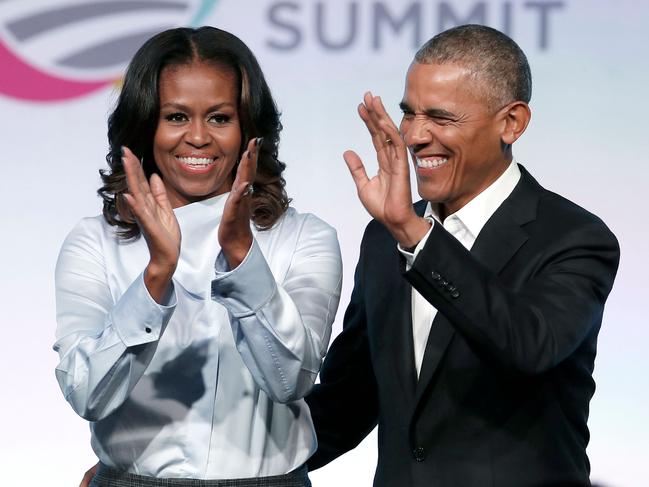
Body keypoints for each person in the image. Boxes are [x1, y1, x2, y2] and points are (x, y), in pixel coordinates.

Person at [305, 24, 620, 486]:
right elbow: (347, 401)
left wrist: (416, 236)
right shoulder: (383, 238)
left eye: (441, 117)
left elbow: (528, 346)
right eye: (408, 113)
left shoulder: (573, 237)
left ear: (511, 122)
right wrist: (229, 463)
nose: (413, 136)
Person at [54, 26, 342, 487]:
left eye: (220, 118)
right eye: (176, 117)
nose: (198, 138)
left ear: (249, 128)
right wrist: (156, 276)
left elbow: (291, 381)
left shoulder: (305, 237)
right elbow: (87, 394)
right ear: (146, 125)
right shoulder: (94, 241)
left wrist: (242, 253)